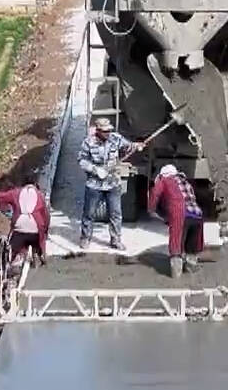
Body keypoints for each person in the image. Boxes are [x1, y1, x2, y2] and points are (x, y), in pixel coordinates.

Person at [78, 116, 133, 248]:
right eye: (104, 131)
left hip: (113, 183)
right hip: (94, 184)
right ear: (98, 131)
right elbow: (82, 160)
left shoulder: (115, 138)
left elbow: (128, 145)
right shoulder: (88, 142)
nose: (107, 133)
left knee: (115, 214)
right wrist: (95, 170)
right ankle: (85, 238)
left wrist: (137, 146)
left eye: (108, 130)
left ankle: (115, 240)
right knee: (89, 213)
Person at [145, 163, 205, 276]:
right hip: (197, 215)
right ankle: (191, 265)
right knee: (192, 243)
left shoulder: (164, 180)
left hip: (180, 214)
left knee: (176, 242)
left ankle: (176, 272)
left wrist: (151, 209)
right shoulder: (185, 181)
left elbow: (155, 193)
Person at [0, 180, 49, 268]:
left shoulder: (16, 193)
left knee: (14, 246)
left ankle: (13, 257)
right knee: (38, 240)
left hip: (19, 230)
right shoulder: (40, 195)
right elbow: (46, 217)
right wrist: (44, 233)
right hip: (36, 231)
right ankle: (39, 253)